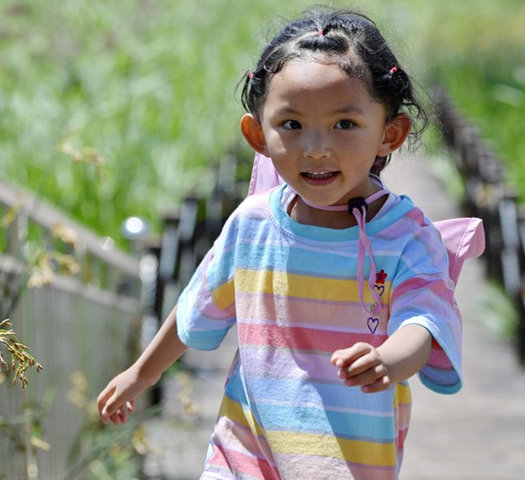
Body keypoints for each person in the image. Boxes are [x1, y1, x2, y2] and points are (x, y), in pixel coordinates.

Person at [98, 7, 463, 479]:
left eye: (345, 124)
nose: (315, 147)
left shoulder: (406, 236)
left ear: (388, 135)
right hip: (243, 451)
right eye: (291, 125)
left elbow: (423, 322)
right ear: (257, 134)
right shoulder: (253, 224)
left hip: (345, 459)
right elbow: (196, 306)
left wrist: (387, 360)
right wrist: (141, 374)